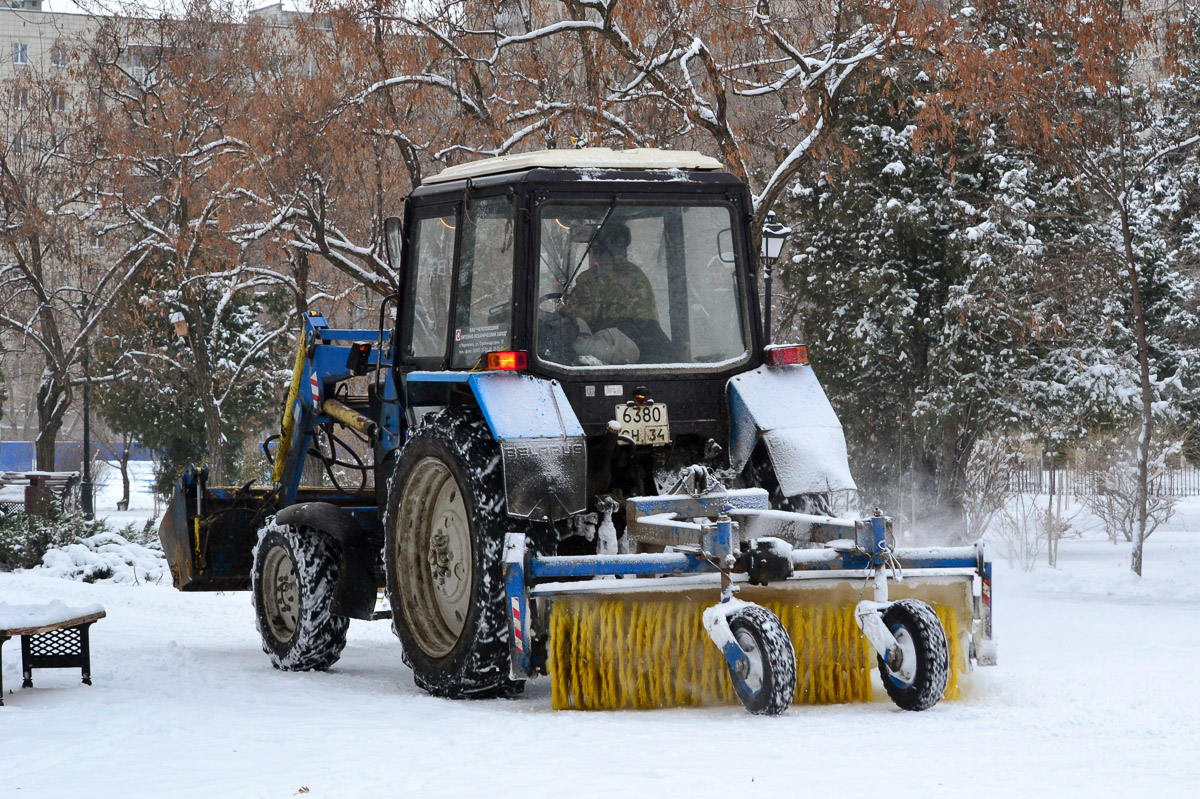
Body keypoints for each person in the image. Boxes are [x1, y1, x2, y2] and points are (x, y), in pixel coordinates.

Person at [547, 221, 674, 365]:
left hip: (614, 356)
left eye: (590, 250)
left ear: (595, 252)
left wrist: (555, 316)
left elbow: (573, 325)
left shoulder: (592, 281)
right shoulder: (638, 276)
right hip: (654, 353)